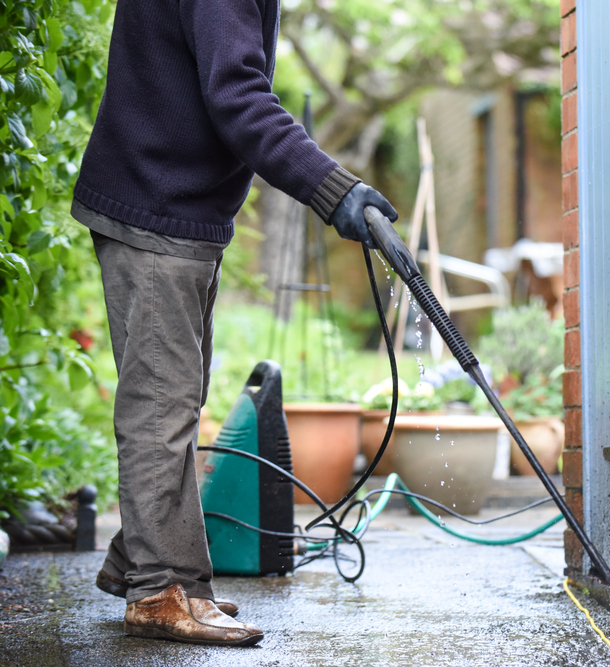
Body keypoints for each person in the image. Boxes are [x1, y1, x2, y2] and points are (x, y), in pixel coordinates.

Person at [72, 0, 397, 647]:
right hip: (157, 204)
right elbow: (239, 98)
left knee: (177, 401)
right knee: (161, 406)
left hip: (168, 206)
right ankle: (158, 588)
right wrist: (333, 191)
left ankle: (160, 570)